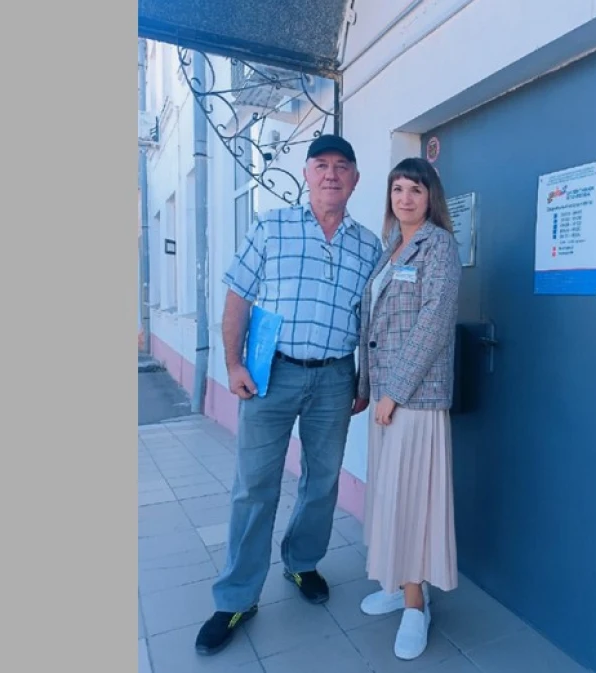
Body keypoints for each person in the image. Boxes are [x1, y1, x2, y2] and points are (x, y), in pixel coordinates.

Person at [194, 135, 382, 656]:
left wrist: (363, 381)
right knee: (254, 486)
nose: (331, 175)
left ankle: (302, 562)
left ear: (355, 179)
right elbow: (238, 294)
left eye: (341, 166)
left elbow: (371, 323)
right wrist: (232, 363)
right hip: (271, 374)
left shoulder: (369, 246)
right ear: (305, 174)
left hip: (335, 378)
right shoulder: (271, 227)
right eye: (321, 165)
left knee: (322, 481)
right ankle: (237, 597)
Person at [356, 157, 462, 660]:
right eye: (397, 189)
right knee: (390, 496)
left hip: (414, 399)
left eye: (415, 189)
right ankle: (399, 585)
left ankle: (417, 606)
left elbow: (433, 323)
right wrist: (368, 388)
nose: (405, 198)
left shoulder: (438, 246)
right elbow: (374, 326)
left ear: (430, 196)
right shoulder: (391, 247)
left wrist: (394, 392)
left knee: (412, 501)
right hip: (386, 397)